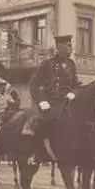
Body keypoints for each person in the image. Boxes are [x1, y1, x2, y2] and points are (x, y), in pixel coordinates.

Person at [27, 34, 80, 162]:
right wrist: (42, 101)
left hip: (68, 102)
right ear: (59, 47)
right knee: (44, 123)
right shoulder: (48, 64)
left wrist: (73, 93)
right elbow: (33, 84)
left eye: (70, 46)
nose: (71, 49)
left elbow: (75, 84)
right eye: (68, 46)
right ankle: (37, 153)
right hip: (51, 102)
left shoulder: (71, 64)